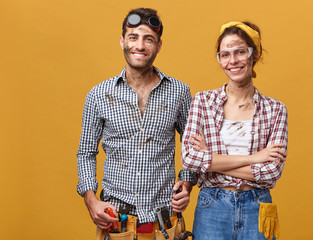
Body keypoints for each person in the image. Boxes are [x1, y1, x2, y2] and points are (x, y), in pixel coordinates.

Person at [77, 8, 197, 239]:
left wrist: (187, 181)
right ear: (122, 41)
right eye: (133, 37)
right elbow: (86, 152)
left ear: (159, 45)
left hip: (165, 222)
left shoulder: (179, 92)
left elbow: (192, 144)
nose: (140, 46)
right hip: (117, 220)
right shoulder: (98, 95)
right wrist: (91, 200)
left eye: (148, 39)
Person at [181, 21, 288, 240]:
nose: (233, 61)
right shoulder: (203, 101)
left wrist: (210, 163)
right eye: (225, 54)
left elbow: (271, 174)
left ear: (254, 55)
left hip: (257, 204)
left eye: (240, 52)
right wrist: (255, 158)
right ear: (219, 58)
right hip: (212, 205)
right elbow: (190, 158)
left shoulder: (275, 110)